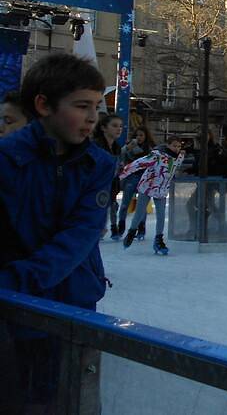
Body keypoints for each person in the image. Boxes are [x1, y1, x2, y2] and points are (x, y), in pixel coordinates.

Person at [0, 54, 116, 412]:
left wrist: (13, 280)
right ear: (43, 105)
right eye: (82, 106)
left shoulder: (99, 165)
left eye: (96, 106)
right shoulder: (6, 158)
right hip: (12, 311)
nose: (93, 117)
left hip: (72, 303)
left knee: (69, 399)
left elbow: (79, 236)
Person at [119, 136, 185, 254]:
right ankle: (131, 232)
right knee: (140, 212)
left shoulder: (178, 158)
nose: (177, 148)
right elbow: (138, 163)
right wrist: (120, 176)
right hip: (147, 187)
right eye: (174, 145)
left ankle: (158, 240)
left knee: (161, 215)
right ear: (168, 145)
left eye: (179, 146)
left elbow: (175, 168)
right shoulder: (157, 155)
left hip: (161, 190)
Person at [118, 127, 154, 239]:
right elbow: (121, 155)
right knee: (125, 204)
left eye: (141, 135)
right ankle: (121, 227)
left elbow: (150, 161)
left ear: (146, 136)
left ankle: (141, 229)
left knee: (141, 206)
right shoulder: (129, 147)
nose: (139, 137)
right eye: (137, 135)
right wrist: (128, 147)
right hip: (131, 177)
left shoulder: (149, 149)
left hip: (144, 178)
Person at [93, 114, 125, 240]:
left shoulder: (116, 147)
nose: (119, 129)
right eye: (115, 126)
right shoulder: (96, 145)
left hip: (111, 184)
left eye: (120, 126)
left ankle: (108, 227)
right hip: (96, 186)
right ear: (103, 128)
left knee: (110, 207)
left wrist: (119, 168)